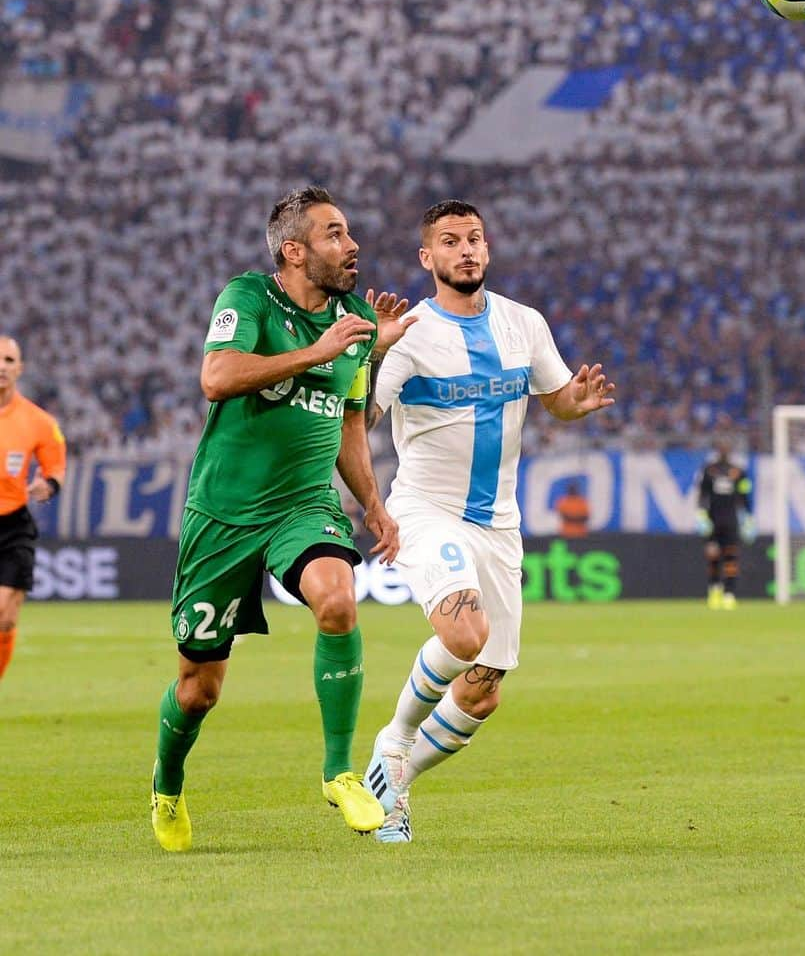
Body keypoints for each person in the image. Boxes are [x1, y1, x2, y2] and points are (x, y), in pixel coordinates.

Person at [150, 185, 417, 852]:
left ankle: (339, 771)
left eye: (348, 231)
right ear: (294, 251)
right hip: (224, 514)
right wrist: (317, 352)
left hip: (305, 505)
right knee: (197, 690)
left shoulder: (353, 319)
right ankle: (168, 781)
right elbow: (216, 376)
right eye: (333, 234)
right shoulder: (247, 298)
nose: (351, 245)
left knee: (337, 599)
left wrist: (374, 506)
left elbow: (351, 420)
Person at [360, 199, 615, 843]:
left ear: (488, 249)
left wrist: (572, 405)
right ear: (429, 258)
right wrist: (371, 352)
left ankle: (395, 781)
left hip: (498, 523)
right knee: (464, 632)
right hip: (426, 508)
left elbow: (554, 397)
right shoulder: (408, 331)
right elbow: (358, 419)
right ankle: (393, 740)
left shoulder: (523, 324)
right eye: (451, 241)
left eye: (474, 239)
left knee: (481, 693)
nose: (466, 250)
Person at [0, 337, 66, 683]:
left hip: (12, 526)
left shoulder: (38, 422)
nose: (2, 366)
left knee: (5, 619)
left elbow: (55, 467)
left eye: (9, 360)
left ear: (20, 368)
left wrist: (48, 485)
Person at [696, 440, 752, 611]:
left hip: (731, 522)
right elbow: (702, 495)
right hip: (713, 522)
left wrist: (748, 517)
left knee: (731, 558)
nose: (723, 451)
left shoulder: (738, 472)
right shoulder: (708, 471)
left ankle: (729, 594)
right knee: (713, 557)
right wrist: (702, 515)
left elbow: (744, 496)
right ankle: (714, 590)